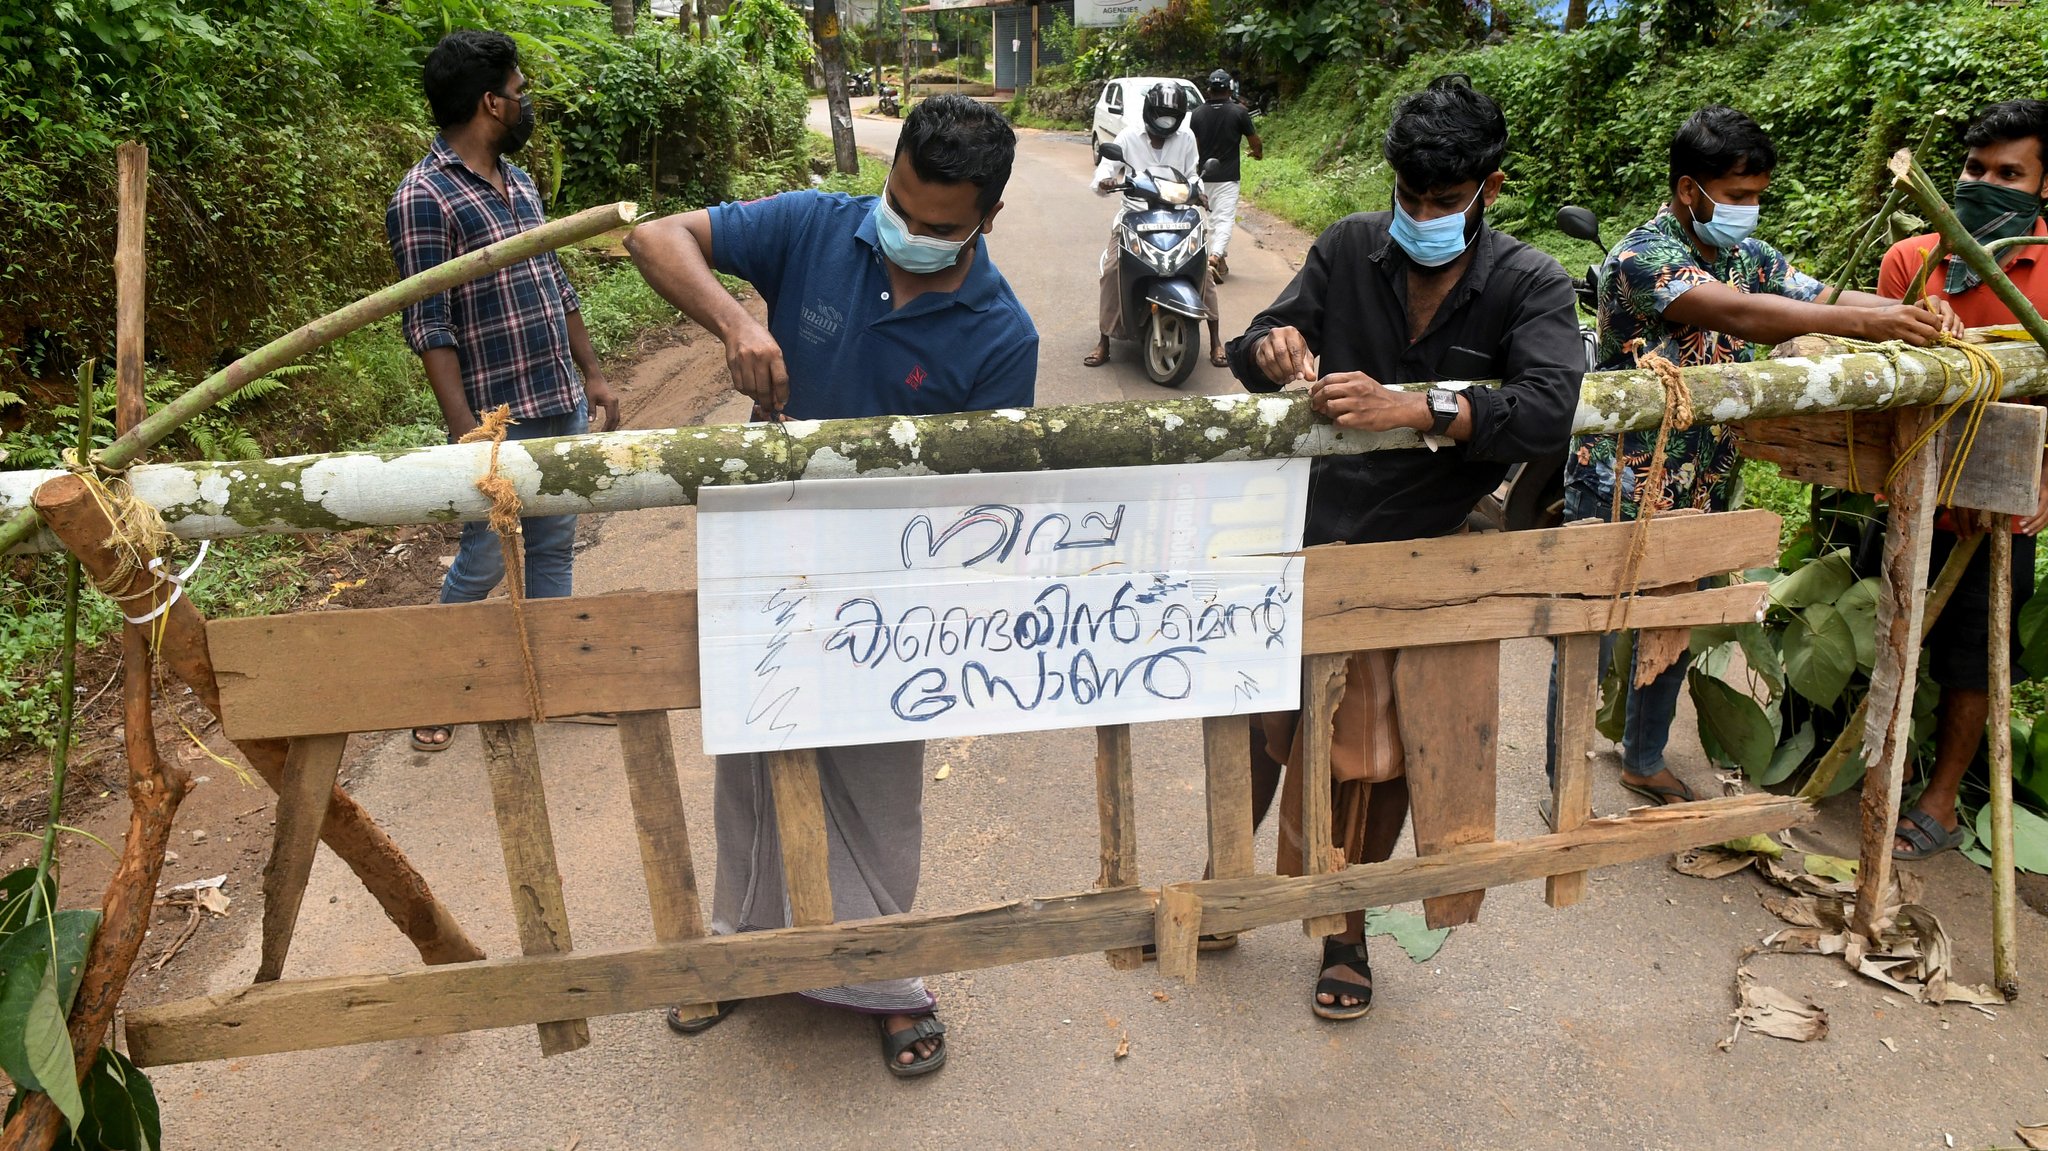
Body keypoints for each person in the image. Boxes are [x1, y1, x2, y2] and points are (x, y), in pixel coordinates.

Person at [624, 94, 1036, 1077]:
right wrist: (734, 321)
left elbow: (987, 503)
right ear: (886, 177)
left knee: (877, 778)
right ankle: (744, 947)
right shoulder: (814, 224)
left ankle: (883, 976)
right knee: (752, 754)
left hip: (891, 585)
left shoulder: (1001, 335)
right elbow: (653, 238)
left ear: (987, 219)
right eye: (900, 205)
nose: (911, 234)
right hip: (763, 556)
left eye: (940, 227)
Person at [1224, 74, 1584, 1021]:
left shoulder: (1529, 282)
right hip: (1302, 532)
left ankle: (1344, 928)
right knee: (1263, 722)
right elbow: (1261, 334)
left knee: (1373, 755)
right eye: (1410, 197)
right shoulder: (1348, 248)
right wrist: (1270, 350)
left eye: (1444, 201)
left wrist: (1419, 405)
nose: (1422, 216)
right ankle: (1229, 883)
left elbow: (1550, 407)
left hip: (1420, 551)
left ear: (1489, 190)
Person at [1550, 105, 1962, 813]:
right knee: (1591, 624)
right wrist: (1869, 320)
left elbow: (1818, 295)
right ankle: (1564, 767)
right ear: (1689, 190)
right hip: (1619, 480)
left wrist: (1914, 319)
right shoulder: (1640, 257)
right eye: (1737, 196)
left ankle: (1643, 759)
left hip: (1706, 474)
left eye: (1756, 196)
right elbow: (1741, 315)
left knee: (1676, 621)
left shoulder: (1753, 256)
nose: (1749, 209)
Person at [387, 30, 619, 754]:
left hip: (558, 396)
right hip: (497, 417)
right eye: (521, 94)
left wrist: (593, 373)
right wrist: (467, 433)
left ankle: (555, 681)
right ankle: (442, 683)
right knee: (486, 556)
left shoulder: (519, 183)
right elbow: (428, 323)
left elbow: (556, 280)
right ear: (491, 103)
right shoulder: (423, 197)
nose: (527, 106)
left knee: (554, 544)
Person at [1876, 98, 2048, 860]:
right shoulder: (1911, 261)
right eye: (1976, 168)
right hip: (1907, 488)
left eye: (2010, 173)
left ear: (2044, 187)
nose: (1986, 183)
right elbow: (1875, 382)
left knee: (1979, 653)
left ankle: (1941, 798)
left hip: (2001, 504)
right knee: (1888, 629)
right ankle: (1873, 761)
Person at [1085, 83, 1225, 370]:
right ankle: (1104, 341)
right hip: (1135, 214)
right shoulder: (1128, 135)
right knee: (1113, 269)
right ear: (1150, 111)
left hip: (1178, 213)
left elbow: (1192, 174)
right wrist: (1106, 181)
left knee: (1203, 271)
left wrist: (1199, 190)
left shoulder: (1185, 137)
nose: (1166, 123)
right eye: (1162, 115)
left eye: (1172, 117)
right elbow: (1106, 169)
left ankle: (1216, 340)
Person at [1189, 68, 1262, 283]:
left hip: (1203, 175)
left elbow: (1195, 146)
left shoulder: (1197, 114)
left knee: (1211, 218)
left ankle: (1220, 260)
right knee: (1224, 218)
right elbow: (1254, 141)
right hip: (1228, 176)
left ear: (1209, 89)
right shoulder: (1239, 112)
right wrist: (1257, 154)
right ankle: (1214, 257)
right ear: (1230, 89)